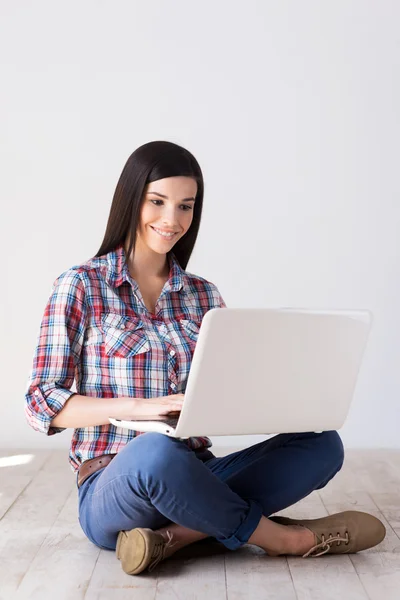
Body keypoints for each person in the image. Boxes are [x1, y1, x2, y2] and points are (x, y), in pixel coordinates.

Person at [25, 140, 386, 576]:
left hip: (198, 473)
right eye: (157, 202)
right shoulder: (80, 285)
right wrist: (139, 409)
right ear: (131, 200)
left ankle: (173, 538)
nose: (171, 220)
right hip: (116, 484)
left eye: (185, 206)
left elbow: (225, 388)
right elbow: (41, 402)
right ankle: (286, 539)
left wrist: (272, 395)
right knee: (155, 453)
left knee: (322, 443)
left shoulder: (203, 295)